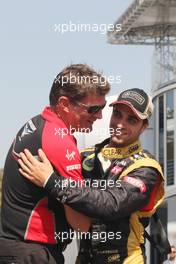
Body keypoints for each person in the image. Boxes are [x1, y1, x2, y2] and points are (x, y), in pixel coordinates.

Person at [18, 88, 165, 264]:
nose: (120, 124)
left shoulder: (146, 168)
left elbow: (110, 205)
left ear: (144, 127)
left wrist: (52, 182)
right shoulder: (86, 156)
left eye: (131, 120)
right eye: (117, 114)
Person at [0, 63, 110, 264]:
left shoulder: (38, 124)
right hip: (34, 253)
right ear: (64, 104)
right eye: (93, 108)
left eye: (102, 108)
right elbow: (81, 224)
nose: (100, 115)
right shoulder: (59, 142)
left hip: (15, 248)